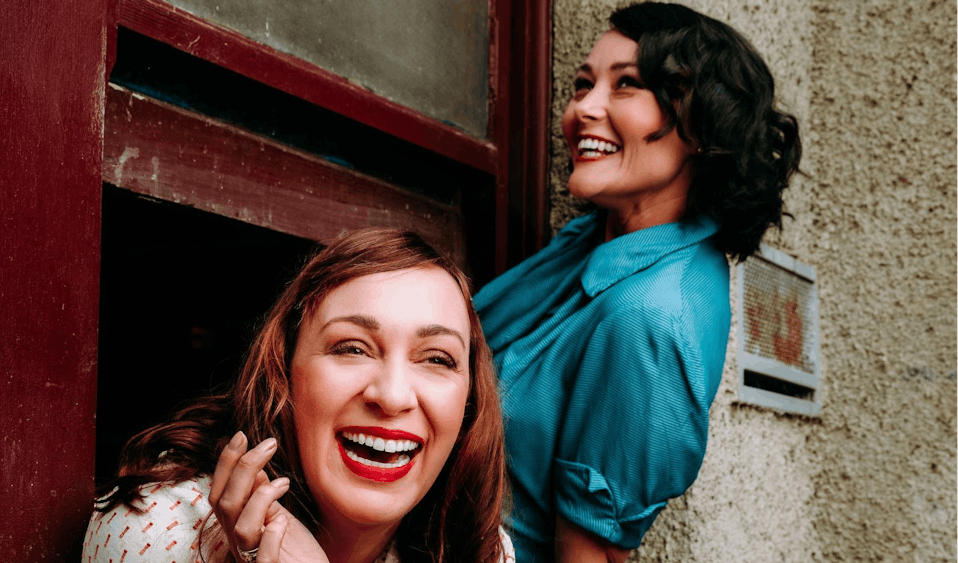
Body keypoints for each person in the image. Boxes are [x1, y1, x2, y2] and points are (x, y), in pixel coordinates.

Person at [473, 3, 802, 562]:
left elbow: (590, 555)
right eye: (583, 84)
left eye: (626, 85)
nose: (583, 110)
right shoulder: (592, 239)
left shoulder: (651, 315)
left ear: (701, 122)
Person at [82, 229, 514, 563]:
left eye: (437, 359)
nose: (392, 395)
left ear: (470, 402)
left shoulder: (480, 549)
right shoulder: (160, 528)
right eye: (352, 348)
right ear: (283, 373)